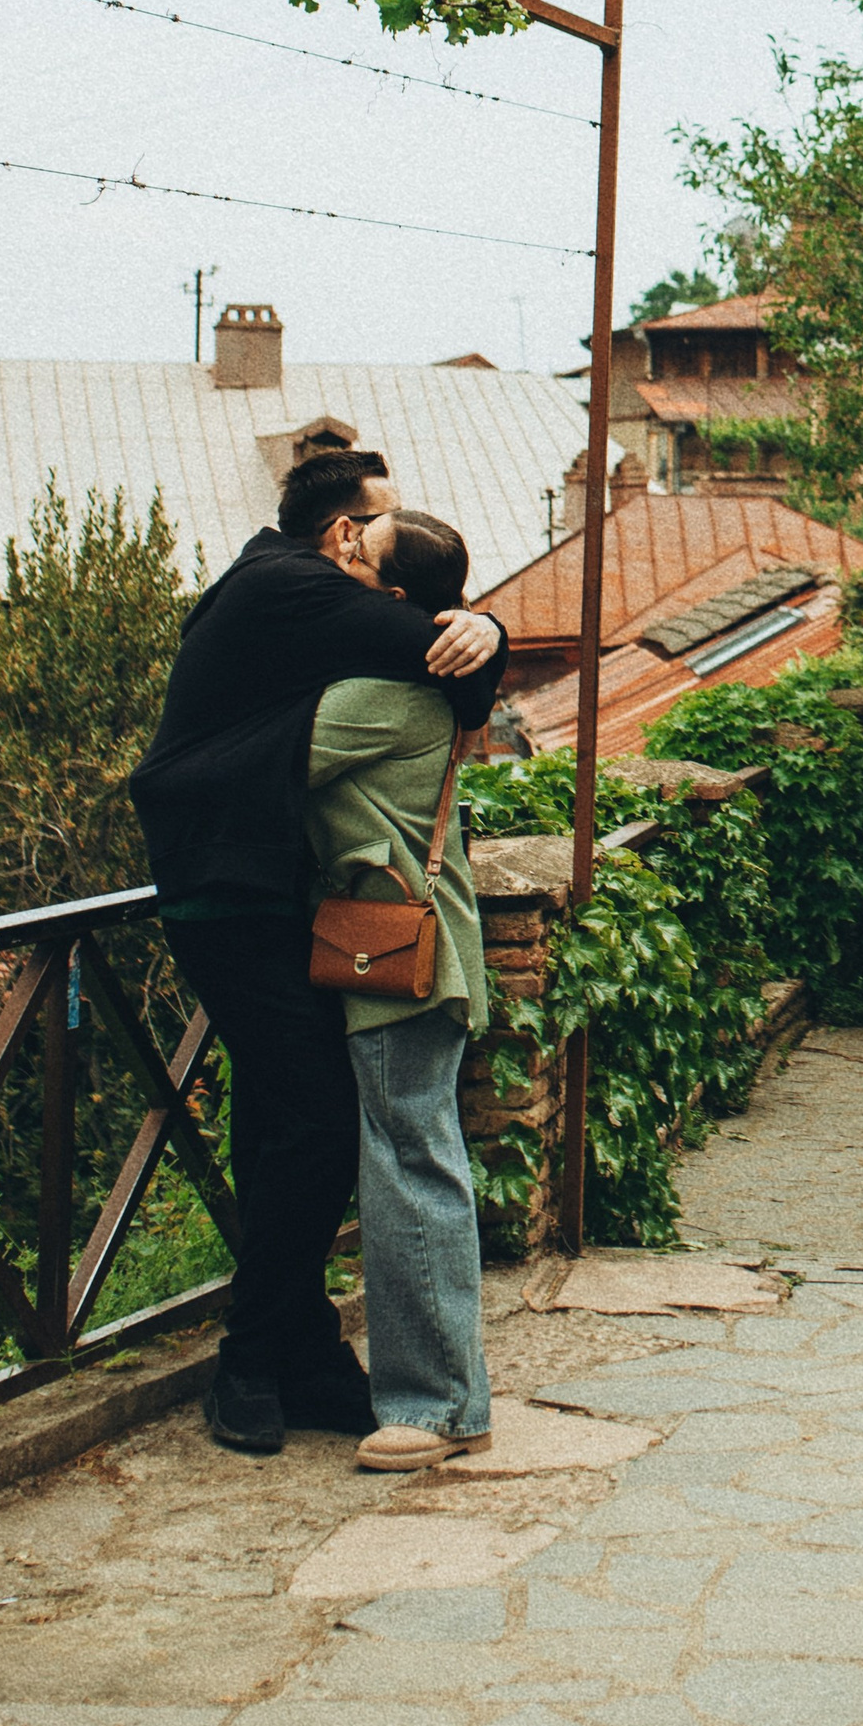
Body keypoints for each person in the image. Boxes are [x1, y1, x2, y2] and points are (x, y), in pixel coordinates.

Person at [131, 448, 507, 1455]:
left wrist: (485, 632)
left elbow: (434, 664)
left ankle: (291, 1351)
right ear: (343, 532)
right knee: (309, 1120)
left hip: (286, 901)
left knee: (289, 1120)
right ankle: (261, 1354)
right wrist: (480, 631)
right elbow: (427, 647)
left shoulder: (288, 599)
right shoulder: (286, 582)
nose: (383, 526)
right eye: (384, 514)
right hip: (225, 893)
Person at [306, 507, 494, 1471]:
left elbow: (280, 753)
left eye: (360, 551)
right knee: (418, 1157)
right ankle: (448, 1394)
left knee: (410, 1167)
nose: (341, 553)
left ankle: (432, 1407)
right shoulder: (425, 675)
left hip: (401, 961)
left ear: (391, 594)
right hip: (420, 951)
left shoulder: (383, 691)